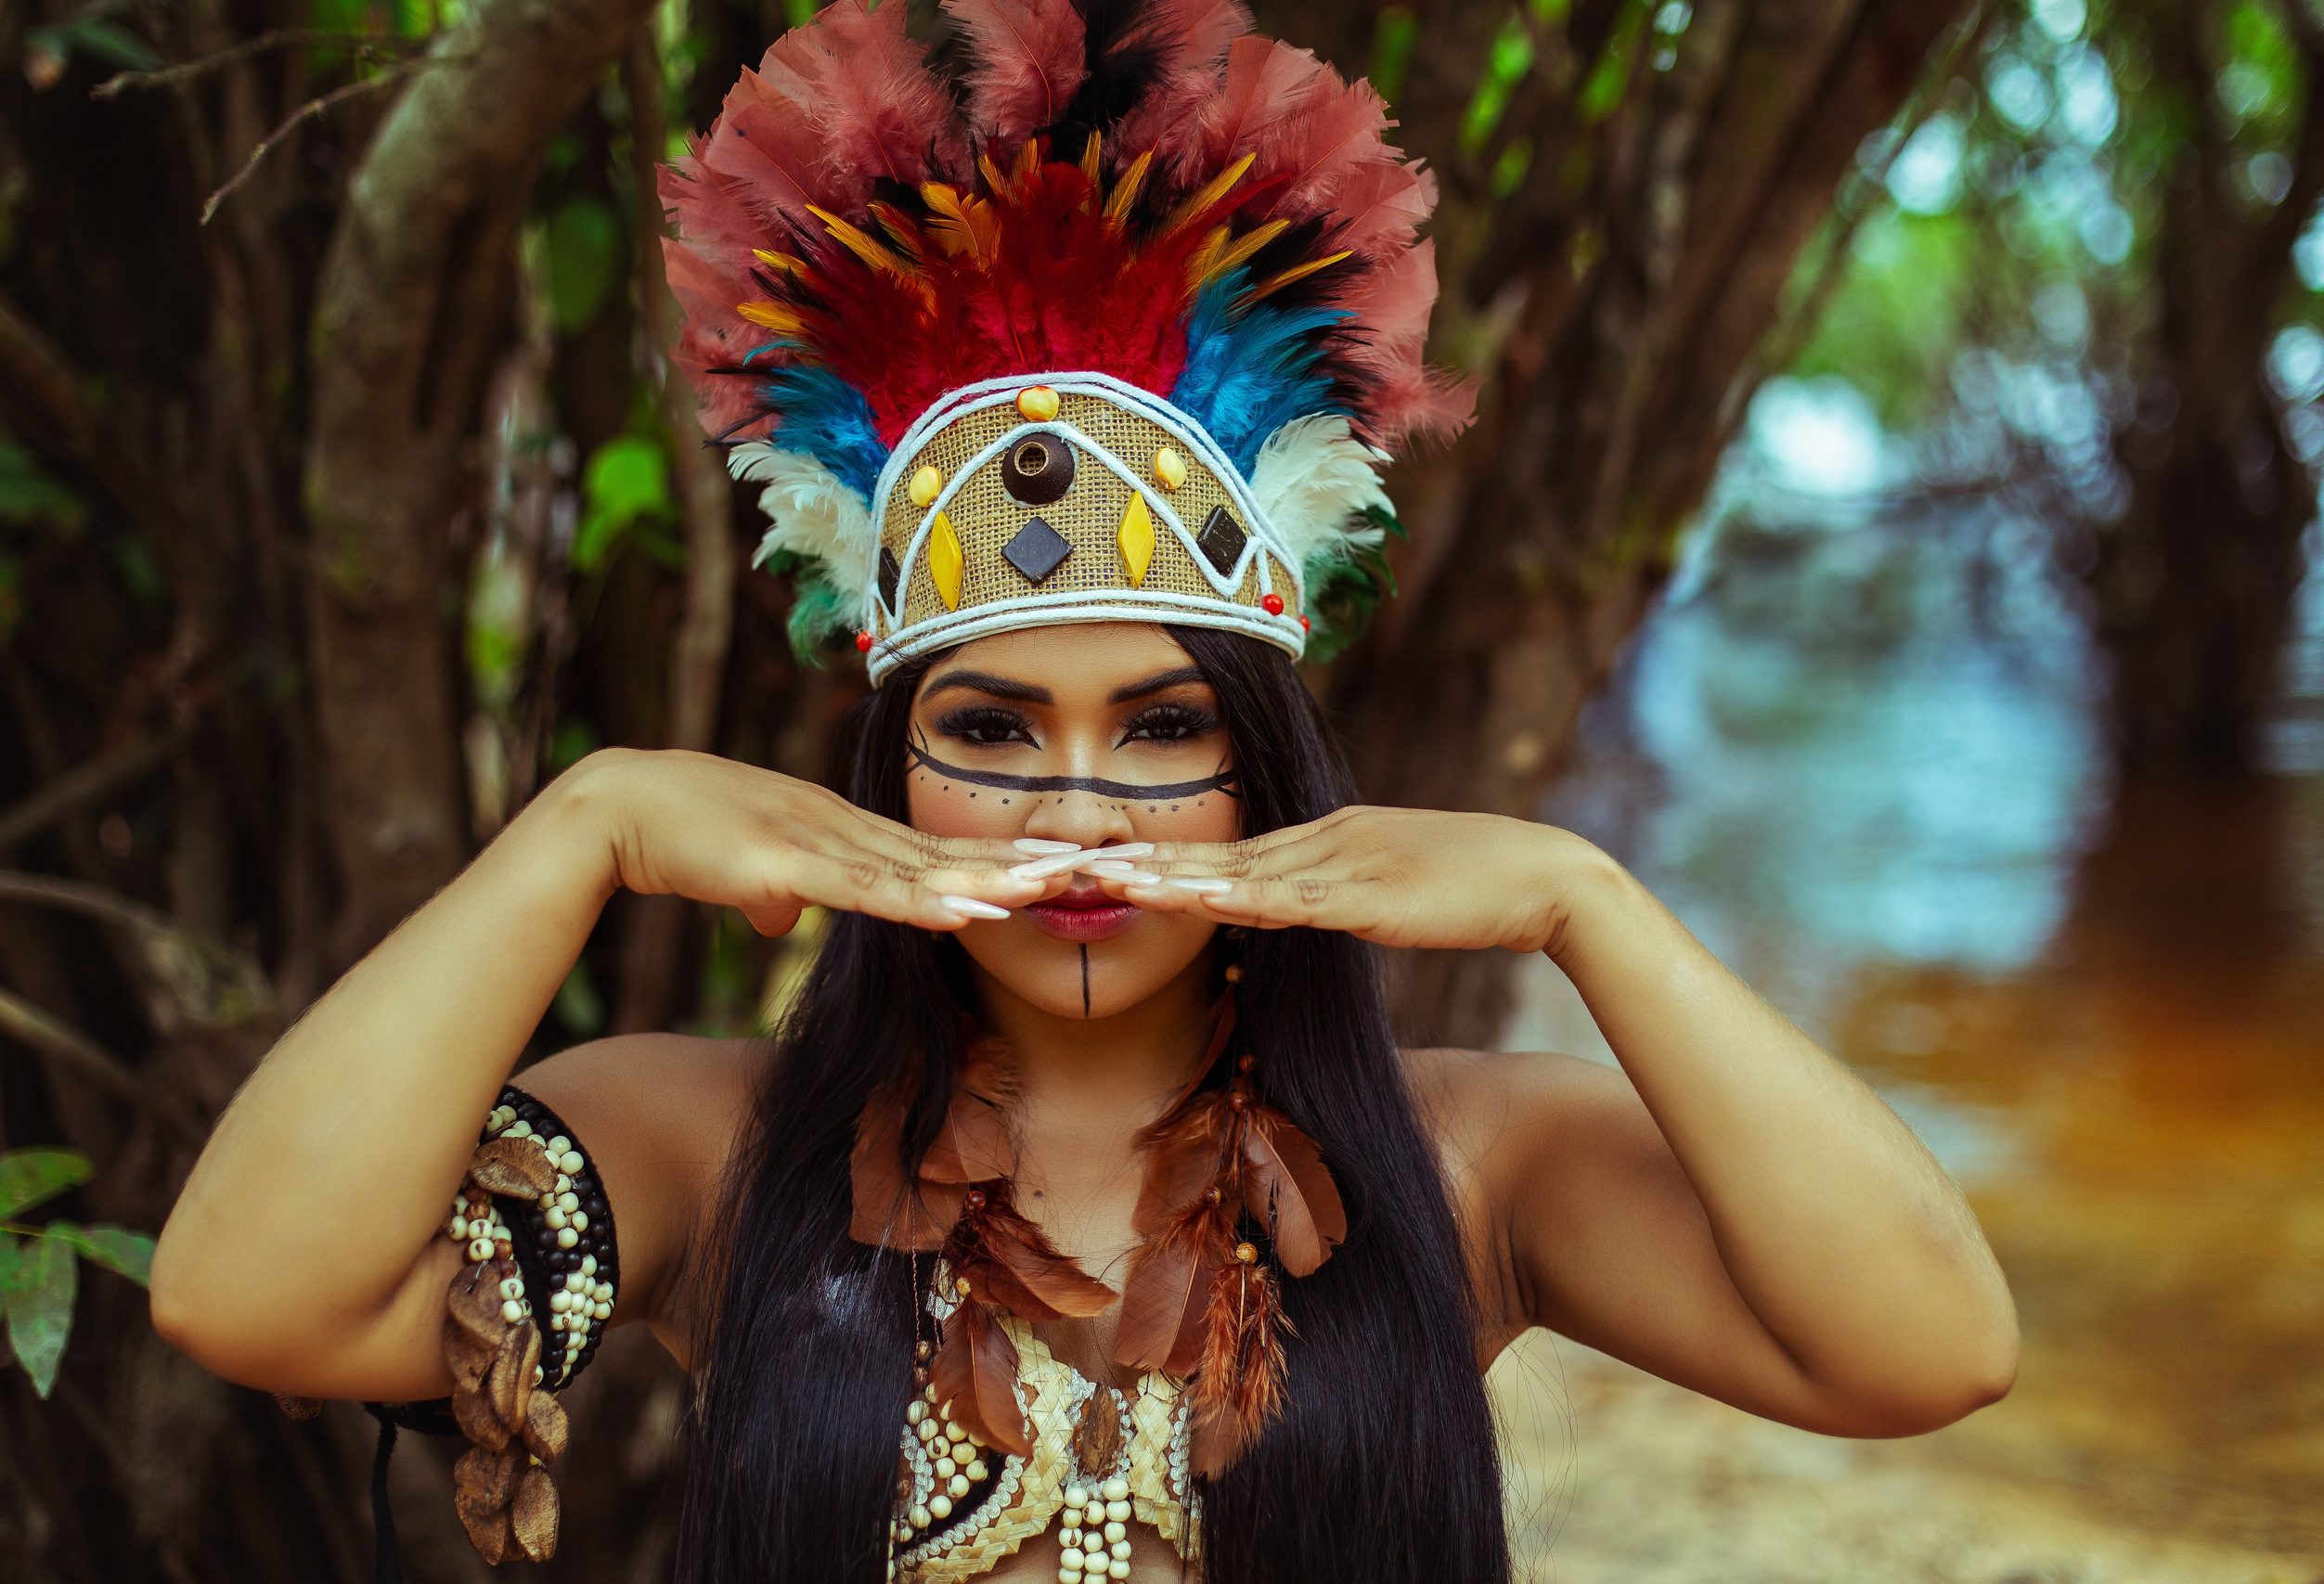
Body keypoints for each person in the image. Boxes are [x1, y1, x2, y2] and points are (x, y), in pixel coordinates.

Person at [148, 1, 2019, 1579]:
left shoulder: (1461, 1168)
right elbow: (254, 1293)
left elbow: (1925, 1347)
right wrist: (588, 824)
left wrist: (1581, 902)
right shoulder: (717, 1152)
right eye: (987, 732)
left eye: (1161, 729)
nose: (1076, 810)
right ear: (888, 775)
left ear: (1260, 767)